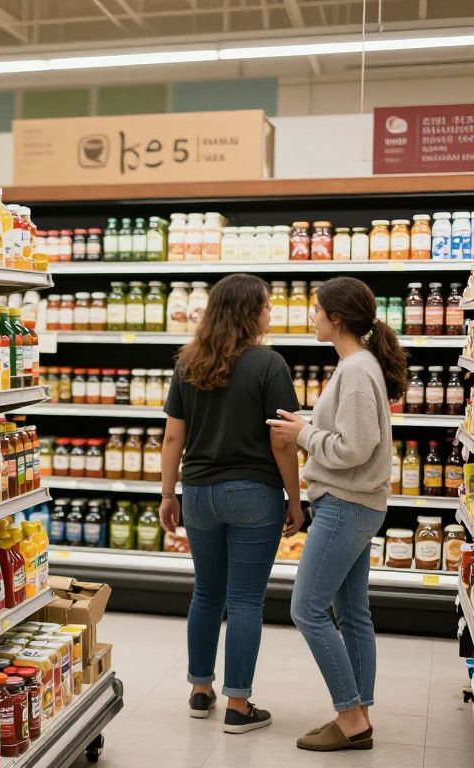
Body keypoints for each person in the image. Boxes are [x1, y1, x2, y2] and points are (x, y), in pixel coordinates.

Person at [267, 277, 407, 752]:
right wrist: (306, 427)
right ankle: (359, 715)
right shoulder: (357, 365)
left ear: (337, 318)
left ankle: (349, 716)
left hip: (346, 503)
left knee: (306, 608)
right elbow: (352, 435)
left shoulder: (355, 370)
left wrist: (303, 435)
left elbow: (354, 446)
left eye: (316, 310)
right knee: (352, 612)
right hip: (356, 502)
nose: (311, 316)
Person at [161, 273, 302, 734]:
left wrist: (167, 493)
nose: (269, 313)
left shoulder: (188, 362)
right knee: (244, 600)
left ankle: (200, 691)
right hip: (252, 493)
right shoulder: (270, 364)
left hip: (198, 492)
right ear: (248, 312)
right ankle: (238, 706)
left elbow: (172, 436)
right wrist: (295, 500)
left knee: (206, 592)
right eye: (264, 306)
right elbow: (282, 443)